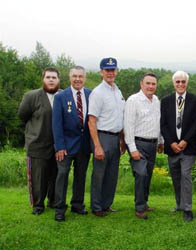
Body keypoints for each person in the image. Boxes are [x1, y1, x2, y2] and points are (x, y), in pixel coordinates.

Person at [160, 71, 196, 222]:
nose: (180, 84)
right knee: (176, 177)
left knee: (185, 176)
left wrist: (185, 141)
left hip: (188, 147)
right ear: (173, 83)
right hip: (172, 147)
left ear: (187, 83)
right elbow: (163, 124)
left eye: (183, 82)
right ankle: (179, 204)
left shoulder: (195, 100)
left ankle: (188, 209)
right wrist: (171, 142)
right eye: (177, 82)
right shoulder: (165, 101)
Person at [18, 67, 60, 215]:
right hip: (37, 144)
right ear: (43, 79)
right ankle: (38, 205)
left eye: (54, 77)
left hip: (57, 146)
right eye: (48, 77)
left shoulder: (62, 96)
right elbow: (23, 116)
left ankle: (54, 201)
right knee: (39, 177)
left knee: (55, 175)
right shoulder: (31, 96)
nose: (51, 80)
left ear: (58, 80)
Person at [52, 66, 91, 222]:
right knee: (62, 176)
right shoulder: (61, 97)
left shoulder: (90, 94)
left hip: (84, 145)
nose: (77, 79)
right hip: (66, 146)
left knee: (80, 176)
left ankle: (77, 204)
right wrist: (59, 146)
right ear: (69, 78)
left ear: (85, 78)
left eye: (80, 76)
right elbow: (56, 124)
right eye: (74, 76)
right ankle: (60, 208)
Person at [88, 57, 126, 217]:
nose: (110, 73)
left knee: (111, 175)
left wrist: (122, 140)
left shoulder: (117, 91)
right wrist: (97, 145)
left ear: (116, 71)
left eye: (113, 70)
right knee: (99, 174)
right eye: (107, 70)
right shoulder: (98, 93)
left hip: (115, 138)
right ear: (101, 72)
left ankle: (106, 204)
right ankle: (96, 206)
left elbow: (120, 117)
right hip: (102, 137)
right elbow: (91, 121)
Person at [124, 72, 164, 220]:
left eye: (153, 84)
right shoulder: (133, 100)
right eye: (148, 83)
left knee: (147, 175)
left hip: (152, 144)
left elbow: (157, 122)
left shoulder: (156, 101)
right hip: (138, 143)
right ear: (141, 84)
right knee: (140, 174)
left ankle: (144, 202)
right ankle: (139, 208)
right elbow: (128, 125)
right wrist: (132, 149)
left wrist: (160, 141)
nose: (151, 86)